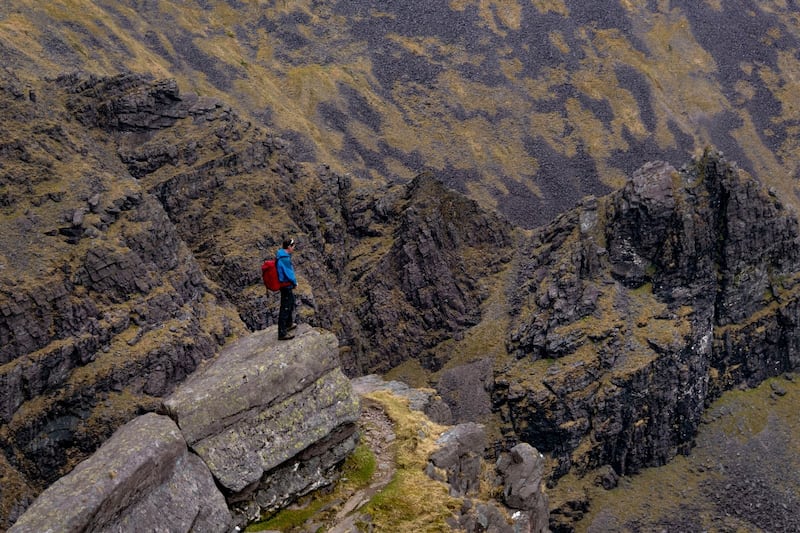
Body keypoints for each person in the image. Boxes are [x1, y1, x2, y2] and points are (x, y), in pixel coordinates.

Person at [276, 238, 298, 340]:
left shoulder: (281, 255)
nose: (294, 248)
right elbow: (289, 273)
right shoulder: (284, 259)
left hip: (285, 285)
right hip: (286, 286)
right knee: (285, 308)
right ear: (289, 247)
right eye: (293, 246)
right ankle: (282, 333)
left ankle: (289, 324)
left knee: (290, 303)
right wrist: (295, 282)